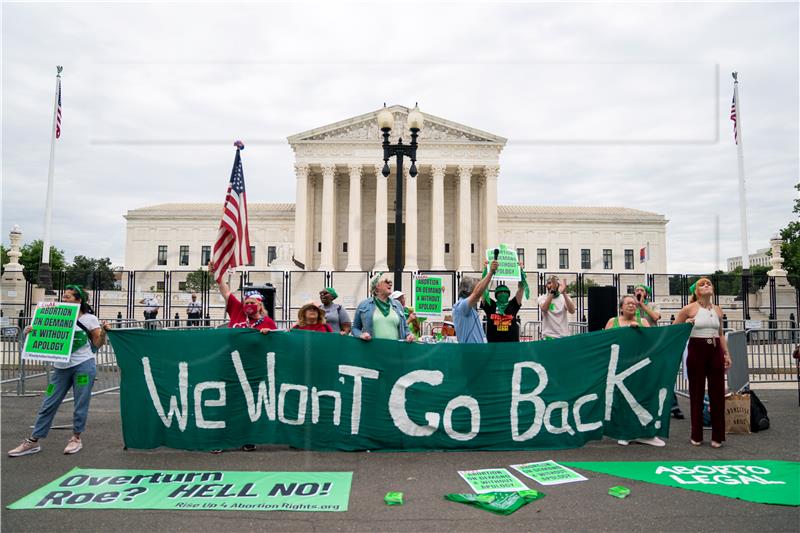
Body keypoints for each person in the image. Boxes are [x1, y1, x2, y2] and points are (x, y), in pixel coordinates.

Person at [8, 285, 110, 457]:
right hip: (61, 368)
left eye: (69, 297)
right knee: (48, 402)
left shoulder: (90, 319)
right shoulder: (53, 315)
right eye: (63, 296)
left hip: (83, 366)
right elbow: (43, 337)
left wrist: (104, 333)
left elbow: (98, 344)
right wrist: (29, 332)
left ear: (79, 300)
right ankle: (33, 441)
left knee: (80, 403)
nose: (64, 299)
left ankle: (76, 438)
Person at [208, 261, 276, 453]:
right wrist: (218, 274)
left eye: (252, 303)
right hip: (230, 365)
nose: (248, 306)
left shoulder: (268, 322)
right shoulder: (237, 311)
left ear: (260, 305)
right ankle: (221, 439)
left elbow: (276, 344)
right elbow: (225, 290)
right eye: (246, 303)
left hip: (253, 368)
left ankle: (248, 438)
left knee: (249, 404)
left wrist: (266, 335)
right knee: (226, 402)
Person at [674, 277, 731, 448]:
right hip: (697, 349)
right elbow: (674, 329)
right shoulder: (689, 309)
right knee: (697, 393)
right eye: (702, 284)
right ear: (697, 291)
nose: (706, 285)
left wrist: (726, 354)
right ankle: (696, 435)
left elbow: (720, 333)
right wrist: (686, 324)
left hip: (715, 350)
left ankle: (717, 436)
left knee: (717, 393)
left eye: (709, 283)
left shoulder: (718, 310)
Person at [604, 295, 663, 447]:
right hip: (619, 366)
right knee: (622, 401)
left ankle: (647, 433)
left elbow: (651, 342)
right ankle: (625, 433)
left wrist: (639, 330)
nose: (631, 306)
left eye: (633, 304)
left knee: (642, 397)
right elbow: (605, 341)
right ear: (621, 307)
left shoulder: (643, 322)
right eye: (628, 303)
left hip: (639, 366)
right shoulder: (613, 321)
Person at [352, 273, 414, 342]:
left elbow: (405, 328)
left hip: (395, 350)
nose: (390, 284)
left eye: (390, 282)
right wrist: (361, 335)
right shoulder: (364, 305)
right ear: (377, 286)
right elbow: (355, 328)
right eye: (387, 282)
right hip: (372, 350)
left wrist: (409, 335)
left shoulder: (397, 305)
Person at [453, 260, 498, 344]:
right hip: (470, 353)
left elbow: (478, 289)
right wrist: (491, 273)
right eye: (475, 288)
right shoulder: (461, 306)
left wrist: (487, 271)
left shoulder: (469, 308)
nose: (481, 294)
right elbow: (477, 293)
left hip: (476, 352)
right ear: (468, 290)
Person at [481, 265, 525, 342]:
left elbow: (521, 289)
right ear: (496, 295)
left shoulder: (513, 304)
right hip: (493, 346)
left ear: (509, 295)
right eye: (500, 292)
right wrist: (486, 272)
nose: (503, 294)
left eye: (505, 292)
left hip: (511, 346)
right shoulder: (491, 305)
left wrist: (520, 273)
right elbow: (483, 290)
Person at [537, 275, 575, 339]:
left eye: (554, 283)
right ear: (546, 286)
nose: (551, 285)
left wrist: (564, 293)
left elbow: (572, 311)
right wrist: (553, 290)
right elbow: (544, 308)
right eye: (549, 283)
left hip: (563, 336)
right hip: (548, 337)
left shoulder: (564, 298)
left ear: (558, 285)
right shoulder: (542, 298)